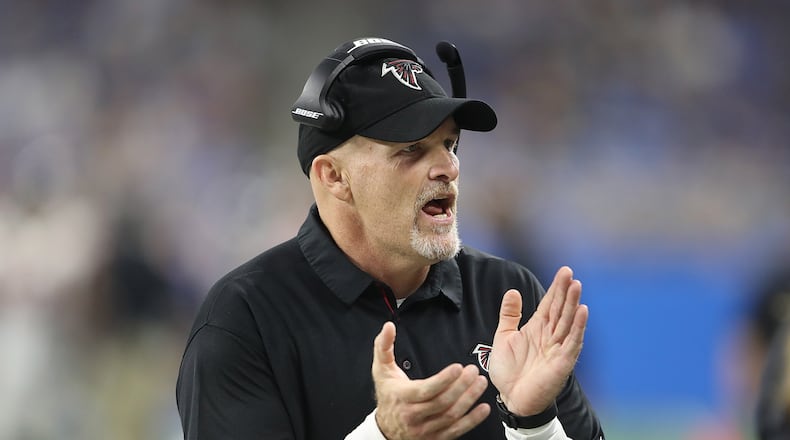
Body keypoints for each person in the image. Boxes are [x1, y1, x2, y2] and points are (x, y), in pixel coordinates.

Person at [176, 37, 605, 440]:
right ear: (334, 177)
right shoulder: (246, 318)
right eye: (411, 150)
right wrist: (380, 434)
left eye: (450, 145)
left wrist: (534, 424)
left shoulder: (506, 298)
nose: (449, 169)